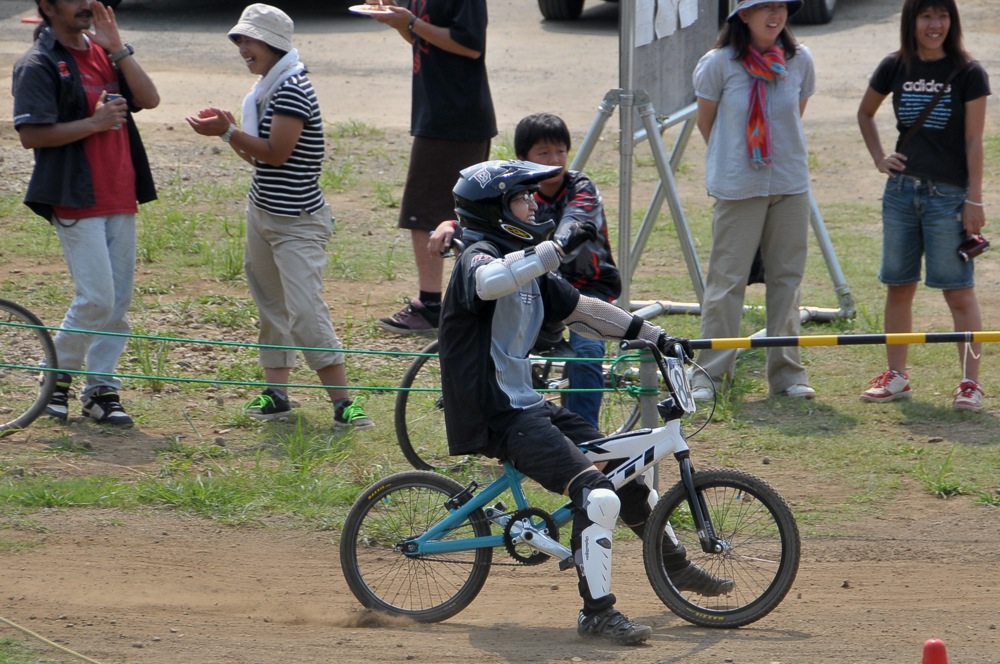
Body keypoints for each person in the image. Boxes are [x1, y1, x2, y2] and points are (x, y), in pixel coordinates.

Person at [438, 160, 733, 645]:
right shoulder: (480, 254)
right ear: (496, 210)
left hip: (527, 404)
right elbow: (489, 281)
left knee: (627, 472)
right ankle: (596, 613)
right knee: (598, 495)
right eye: (521, 198)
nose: (533, 203)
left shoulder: (523, 260)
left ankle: (676, 569)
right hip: (499, 414)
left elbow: (584, 311)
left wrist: (656, 337)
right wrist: (552, 250)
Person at [185, 4, 373, 430]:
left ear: (272, 45)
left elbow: (276, 152)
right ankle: (277, 394)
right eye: (239, 41)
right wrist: (233, 132)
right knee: (270, 305)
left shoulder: (290, 91)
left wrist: (228, 132)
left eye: (248, 41)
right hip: (264, 212)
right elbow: (260, 161)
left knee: (305, 310)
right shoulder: (268, 89)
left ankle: (344, 402)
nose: (242, 49)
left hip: (297, 222)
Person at [13, 0, 160, 427]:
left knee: (117, 304)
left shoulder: (103, 53)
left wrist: (118, 50)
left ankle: (101, 390)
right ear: (46, 6)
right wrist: (94, 124)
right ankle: (56, 379)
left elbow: (148, 99)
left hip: (120, 193)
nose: (86, 5)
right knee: (96, 297)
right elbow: (32, 134)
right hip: (75, 195)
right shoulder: (37, 63)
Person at [429, 112, 620, 428]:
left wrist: (559, 244)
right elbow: (485, 219)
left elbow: (574, 222)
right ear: (523, 159)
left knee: (586, 350)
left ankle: (588, 433)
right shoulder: (513, 191)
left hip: (587, 283)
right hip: (533, 277)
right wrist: (448, 226)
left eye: (560, 151)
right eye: (544, 153)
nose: (555, 160)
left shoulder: (581, 186)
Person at [857, 0, 989, 412]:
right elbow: (865, 113)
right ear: (910, 21)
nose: (935, 25)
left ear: (953, 21)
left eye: (943, 16)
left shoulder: (969, 72)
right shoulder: (895, 66)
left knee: (959, 293)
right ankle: (896, 376)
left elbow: (973, 141)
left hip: (948, 197)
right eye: (926, 16)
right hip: (901, 193)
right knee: (899, 286)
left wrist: (975, 199)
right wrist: (881, 157)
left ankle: (970, 384)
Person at [689, 0, 816, 402]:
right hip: (738, 186)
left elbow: (795, 115)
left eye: (781, 7)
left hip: (789, 183)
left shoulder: (800, 59)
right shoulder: (718, 63)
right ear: (743, 15)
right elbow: (706, 122)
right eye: (764, 8)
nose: (775, 16)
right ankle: (708, 377)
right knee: (727, 283)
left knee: (787, 280)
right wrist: (736, 159)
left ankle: (787, 375)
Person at [369, 0, 497, 336]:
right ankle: (459, 302)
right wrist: (400, 24)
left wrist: (411, 23)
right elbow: (426, 38)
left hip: (455, 117)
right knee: (442, 214)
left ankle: (431, 305)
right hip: (438, 113)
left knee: (426, 212)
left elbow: (469, 45)